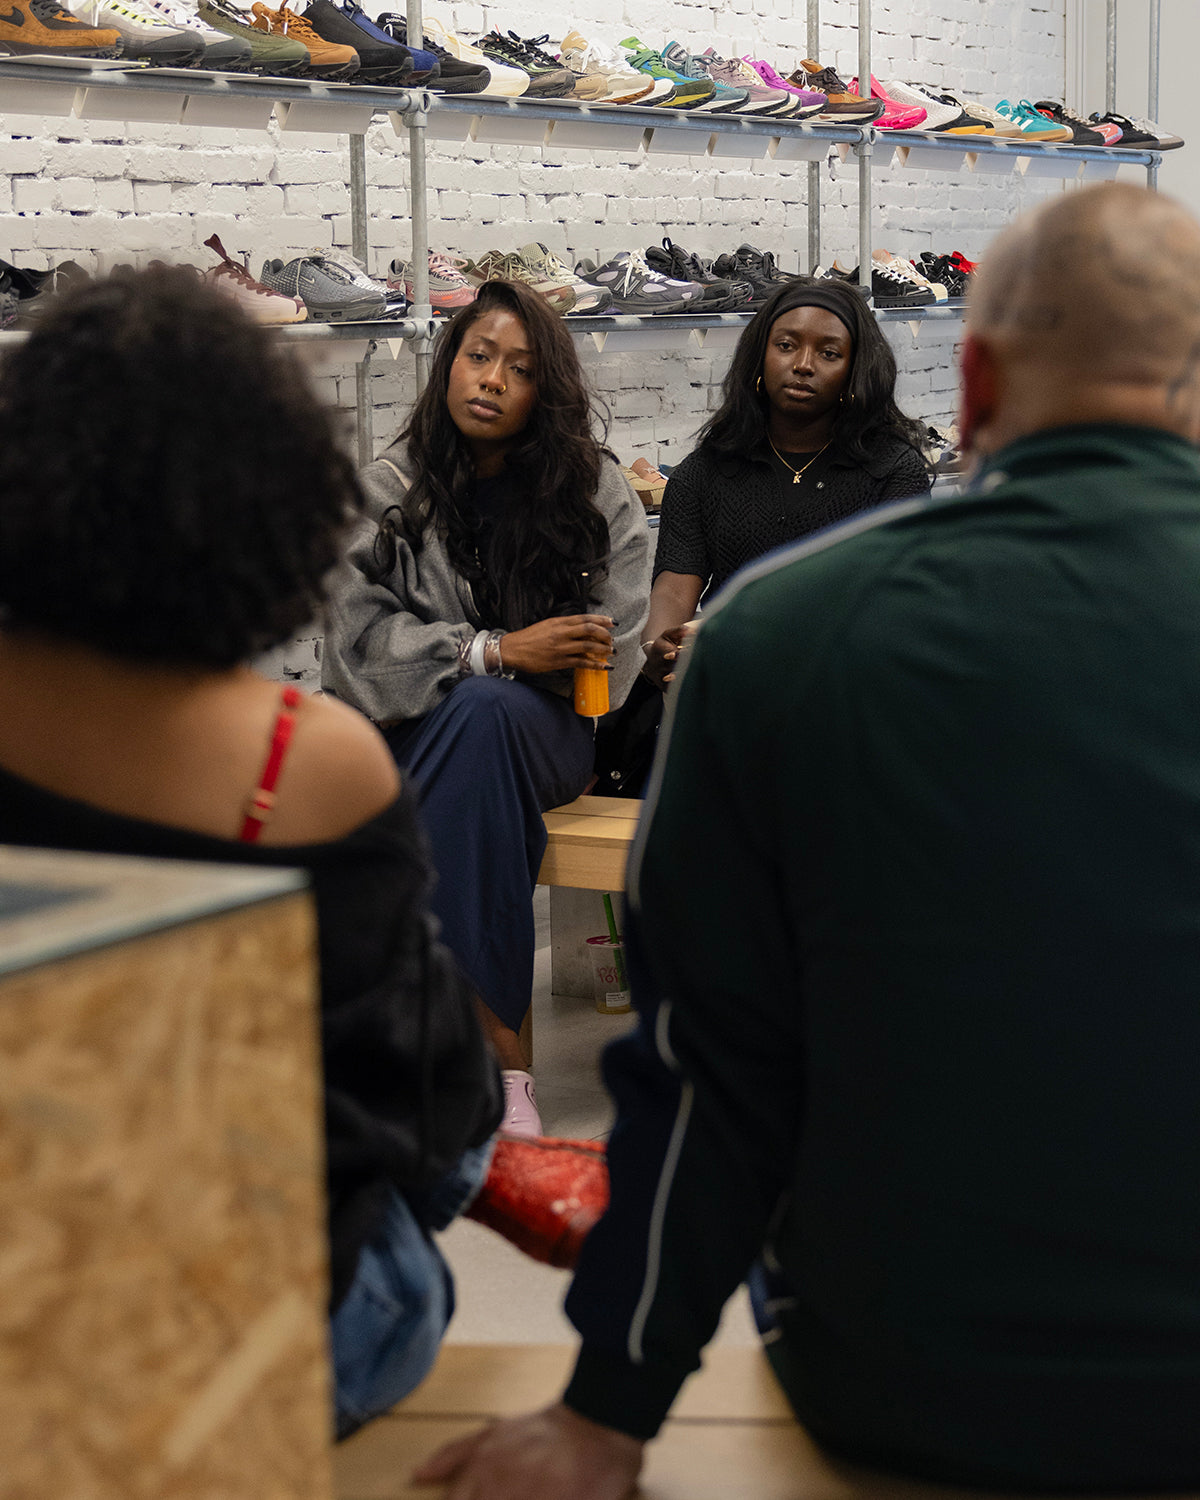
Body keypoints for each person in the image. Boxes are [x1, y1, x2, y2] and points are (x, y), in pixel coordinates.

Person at [416, 182, 1200, 1496]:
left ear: (977, 386)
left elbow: (709, 1069)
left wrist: (608, 1412)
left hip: (904, 1382)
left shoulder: (779, 635)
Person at [0, 266, 606, 1443]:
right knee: (411, 1131)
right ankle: (496, 1165)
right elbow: (420, 1090)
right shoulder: (301, 762)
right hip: (243, 1336)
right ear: (268, 499)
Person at [321, 278, 651, 1136]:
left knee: (484, 717)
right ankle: (495, 1075)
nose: (493, 379)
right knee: (469, 723)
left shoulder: (593, 489)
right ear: (450, 365)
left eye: (520, 368)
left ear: (548, 390)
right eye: (478, 356)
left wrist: (529, 669)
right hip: (411, 732)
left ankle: (462, 1056)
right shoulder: (390, 489)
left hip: (546, 734)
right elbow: (351, 648)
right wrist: (496, 652)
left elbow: (615, 654)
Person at [640, 275, 930, 690]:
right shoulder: (705, 472)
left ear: (854, 371)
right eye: (786, 345)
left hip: (847, 690)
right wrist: (660, 646)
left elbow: (893, 611)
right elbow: (673, 588)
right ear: (760, 356)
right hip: (730, 687)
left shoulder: (892, 471)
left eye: (829, 353)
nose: (803, 365)